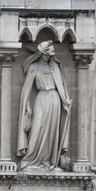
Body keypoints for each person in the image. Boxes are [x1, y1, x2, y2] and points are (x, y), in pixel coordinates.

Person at [16, 41, 72, 171]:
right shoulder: (33, 67)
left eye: (50, 55)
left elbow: (61, 87)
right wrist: (28, 107)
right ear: (40, 53)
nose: (47, 57)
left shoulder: (55, 68)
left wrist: (65, 103)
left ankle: (48, 162)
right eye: (45, 54)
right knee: (37, 130)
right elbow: (26, 90)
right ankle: (30, 160)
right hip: (41, 99)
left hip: (54, 100)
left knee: (52, 132)